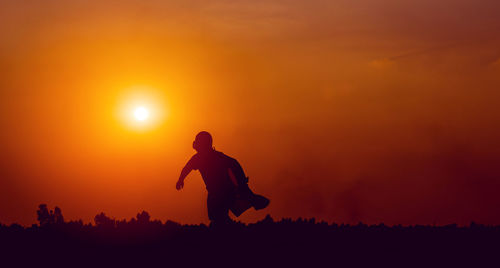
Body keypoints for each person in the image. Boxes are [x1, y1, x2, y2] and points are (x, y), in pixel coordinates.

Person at [176, 131, 269, 226]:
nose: (195, 143)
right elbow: (187, 168)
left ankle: (251, 201)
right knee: (219, 218)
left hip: (222, 193)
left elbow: (234, 164)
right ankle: (251, 201)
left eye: (198, 141)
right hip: (216, 193)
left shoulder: (211, 157)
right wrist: (181, 179)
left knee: (218, 219)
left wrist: (242, 184)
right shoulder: (200, 158)